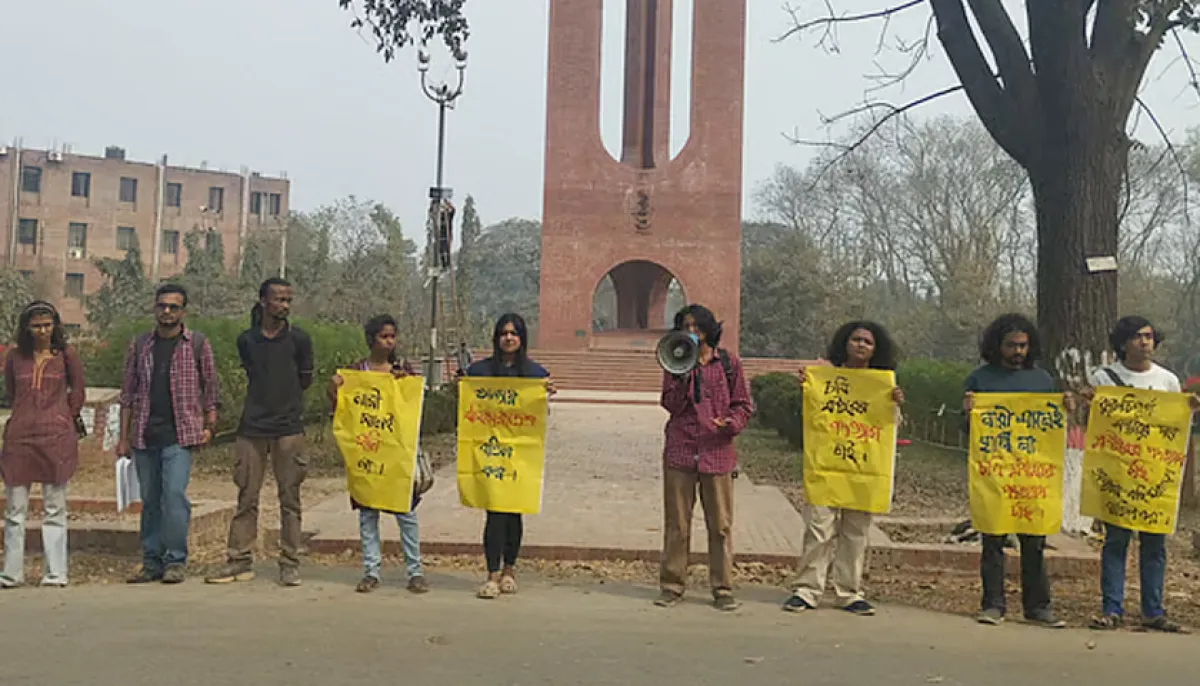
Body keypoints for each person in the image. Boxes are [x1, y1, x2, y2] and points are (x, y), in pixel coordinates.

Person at [784, 321, 904, 616]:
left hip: (863, 469)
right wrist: (808, 389)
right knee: (818, 529)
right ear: (844, 343)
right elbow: (815, 418)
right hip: (827, 466)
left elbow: (889, 427)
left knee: (856, 532)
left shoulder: (882, 385)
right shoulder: (826, 380)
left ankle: (849, 592)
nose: (861, 345)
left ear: (876, 349)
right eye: (856, 339)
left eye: (868, 342)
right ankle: (807, 589)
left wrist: (895, 404)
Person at [1087, 316, 1199, 633]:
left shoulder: (1168, 381)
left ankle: (1153, 610)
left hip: (1153, 478)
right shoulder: (1103, 379)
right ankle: (1112, 609)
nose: (1145, 342)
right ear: (1123, 342)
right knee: (1116, 542)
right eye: (1137, 336)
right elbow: (1094, 424)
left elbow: (1174, 428)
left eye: (1149, 336)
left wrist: (1189, 407)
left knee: (1154, 547)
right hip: (1117, 477)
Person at [206, 278, 314, 587]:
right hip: (252, 428)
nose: (284, 305)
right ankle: (239, 559)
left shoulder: (299, 340)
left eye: (288, 300)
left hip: (289, 429)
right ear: (263, 301)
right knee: (246, 496)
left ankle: (289, 562)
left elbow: (304, 379)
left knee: (290, 498)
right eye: (278, 299)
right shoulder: (247, 340)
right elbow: (256, 375)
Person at [963, 313, 1068, 628]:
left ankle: (1038, 607)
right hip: (994, 472)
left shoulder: (1042, 381)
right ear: (997, 346)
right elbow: (968, 431)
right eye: (1011, 345)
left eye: (1023, 345)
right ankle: (993, 605)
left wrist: (1066, 409)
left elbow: (1050, 428)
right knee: (993, 539)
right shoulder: (980, 379)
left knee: (1034, 541)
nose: (1018, 351)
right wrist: (968, 414)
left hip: (1032, 474)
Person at [118, 284, 219, 585]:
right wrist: (123, 437)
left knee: (174, 497)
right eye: (162, 306)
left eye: (173, 307)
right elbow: (127, 394)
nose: (167, 312)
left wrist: (210, 425)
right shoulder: (140, 345)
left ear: (183, 312)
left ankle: (175, 560)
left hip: (181, 434)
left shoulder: (197, 344)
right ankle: (151, 561)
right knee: (150, 501)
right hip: (144, 435)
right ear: (155, 308)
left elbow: (211, 389)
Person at [655, 304, 754, 611]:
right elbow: (669, 404)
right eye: (686, 326)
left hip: (716, 451)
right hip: (681, 450)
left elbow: (743, 404)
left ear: (709, 330)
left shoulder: (728, 364)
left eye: (698, 327)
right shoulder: (675, 361)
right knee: (677, 524)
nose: (692, 332)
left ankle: (722, 587)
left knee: (721, 525)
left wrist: (731, 424)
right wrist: (683, 374)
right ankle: (672, 584)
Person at [328, 315, 428, 594]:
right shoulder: (355, 372)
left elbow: (414, 409)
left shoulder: (401, 370)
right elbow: (340, 410)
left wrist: (406, 381)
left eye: (392, 336)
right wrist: (334, 388)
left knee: (406, 515)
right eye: (384, 336)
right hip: (368, 458)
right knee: (368, 516)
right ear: (372, 339)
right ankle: (371, 571)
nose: (389, 341)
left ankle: (415, 571)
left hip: (396, 459)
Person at [461, 313, 556, 599]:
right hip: (491, 454)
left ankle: (509, 570)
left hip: (519, 456)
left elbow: (538, 413)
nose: (509, 338)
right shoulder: (481, 373)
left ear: (522, 338)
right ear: (496, 338)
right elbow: (469, 400)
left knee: (514, 513)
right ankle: (491, 574)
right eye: (504, 333)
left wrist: (545, 393)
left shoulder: (535, 375)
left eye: (514, 333)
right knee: (495, 512)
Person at [0, 301, 84, 588]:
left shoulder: (66, 356)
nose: (42, 331)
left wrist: (62, 420)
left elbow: (78, 393)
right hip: (19, 439)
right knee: (14, 511)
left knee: (54, 508)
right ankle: (11, 574)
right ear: (26, 327)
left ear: (55, 326)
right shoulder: (14, 357)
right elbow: (12, 391)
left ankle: (55, 573)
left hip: (55, 439)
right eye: (36, 326)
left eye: (47, 325)